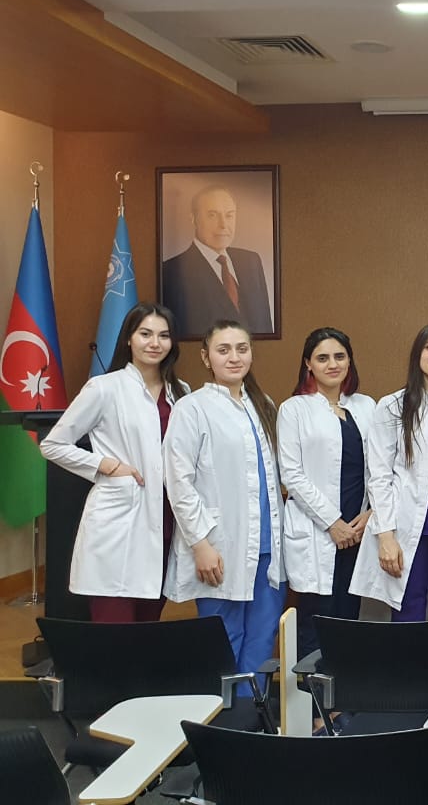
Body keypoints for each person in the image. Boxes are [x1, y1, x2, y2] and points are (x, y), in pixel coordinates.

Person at [40, 302, 188, 623]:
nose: (155, 343)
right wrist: (105, 465)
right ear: (128, 339)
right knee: (114, 625)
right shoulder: (105, 388)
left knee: (149, 622)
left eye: (164, 336)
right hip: (119, 518)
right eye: (145, 334)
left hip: (165, 519)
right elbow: (53, 444)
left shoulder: (181, 392)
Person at [164, 319, 285, 689]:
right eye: (223, 350)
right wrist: (200, 544)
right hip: (219, 545)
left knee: (262, 639)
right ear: (206, 357)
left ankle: (253, 714)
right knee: (224, 639)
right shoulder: (192, 408)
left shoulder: (263, 404)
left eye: (242, 349)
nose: (234, 357)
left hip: (267, 547)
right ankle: (225, 717)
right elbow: (179, 481)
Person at [349, 323, 428, 621]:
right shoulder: (392, 406)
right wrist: (386, 537)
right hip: (406, 529)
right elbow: (379, 476)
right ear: (418, 353)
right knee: (409, 616)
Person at [278, 327, 376, 658]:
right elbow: (292, 474)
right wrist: (333, 522)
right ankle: (315, 693)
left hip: (358, 531)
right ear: (308, 364)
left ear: (350, 361)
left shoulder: (366, 406)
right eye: (322, 358)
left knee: (349, 618)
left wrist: (371, 513)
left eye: (339, 356)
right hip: (318, 530)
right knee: (316, 619)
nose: (332, 364)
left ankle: (344, 690)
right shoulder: (294, 409)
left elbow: (381, 468)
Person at [162, 185, 272, 336]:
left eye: (229, 215)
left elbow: (265, 325)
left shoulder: (251, 261)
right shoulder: (172, 272)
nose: (223, 225)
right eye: (212, 215)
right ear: (194, 218)